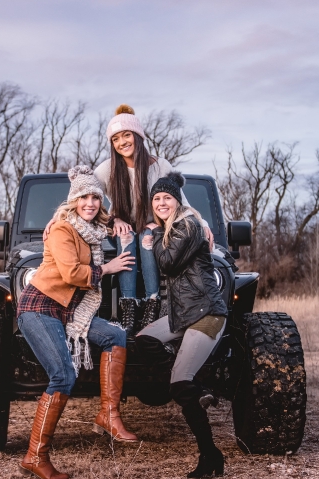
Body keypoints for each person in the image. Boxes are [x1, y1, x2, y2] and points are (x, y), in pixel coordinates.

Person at [44, 105, 213, 336]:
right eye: (115, 139)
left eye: (126, 135)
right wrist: (59, 217)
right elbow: (83, 194)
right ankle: (128, 308)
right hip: (122, 232)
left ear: (138, 136)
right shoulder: (107, 169)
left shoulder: (160, 166)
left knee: (146, 235)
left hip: (155, 232)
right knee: (127, 235)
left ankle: (152, 304)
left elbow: (180, 201)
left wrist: (202, 225)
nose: (122, 142)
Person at [17, 165, 138, 479]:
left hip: (69, 311)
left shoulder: (93, 231)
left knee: (115, 335)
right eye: (83, 197)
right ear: (73, 201)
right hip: (40, 308)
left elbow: (117, 222)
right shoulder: (61, 229)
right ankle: (35, 456)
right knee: (63, 375)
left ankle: (108, 414)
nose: (90, 202)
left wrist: (124, 224)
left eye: (95, 197)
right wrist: (108, 269)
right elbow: (72, 274)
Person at [135, 171, 228, 479]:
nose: (161, 203)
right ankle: (197, 387)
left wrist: (150, 241)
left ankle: (210, 455)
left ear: (177, 201)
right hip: (183, 314)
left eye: (167, 198)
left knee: (178, 385)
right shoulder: (173, 227)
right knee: (145, 339)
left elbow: (168, 263)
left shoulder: (187, 225)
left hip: (206, 314)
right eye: (157, 199)